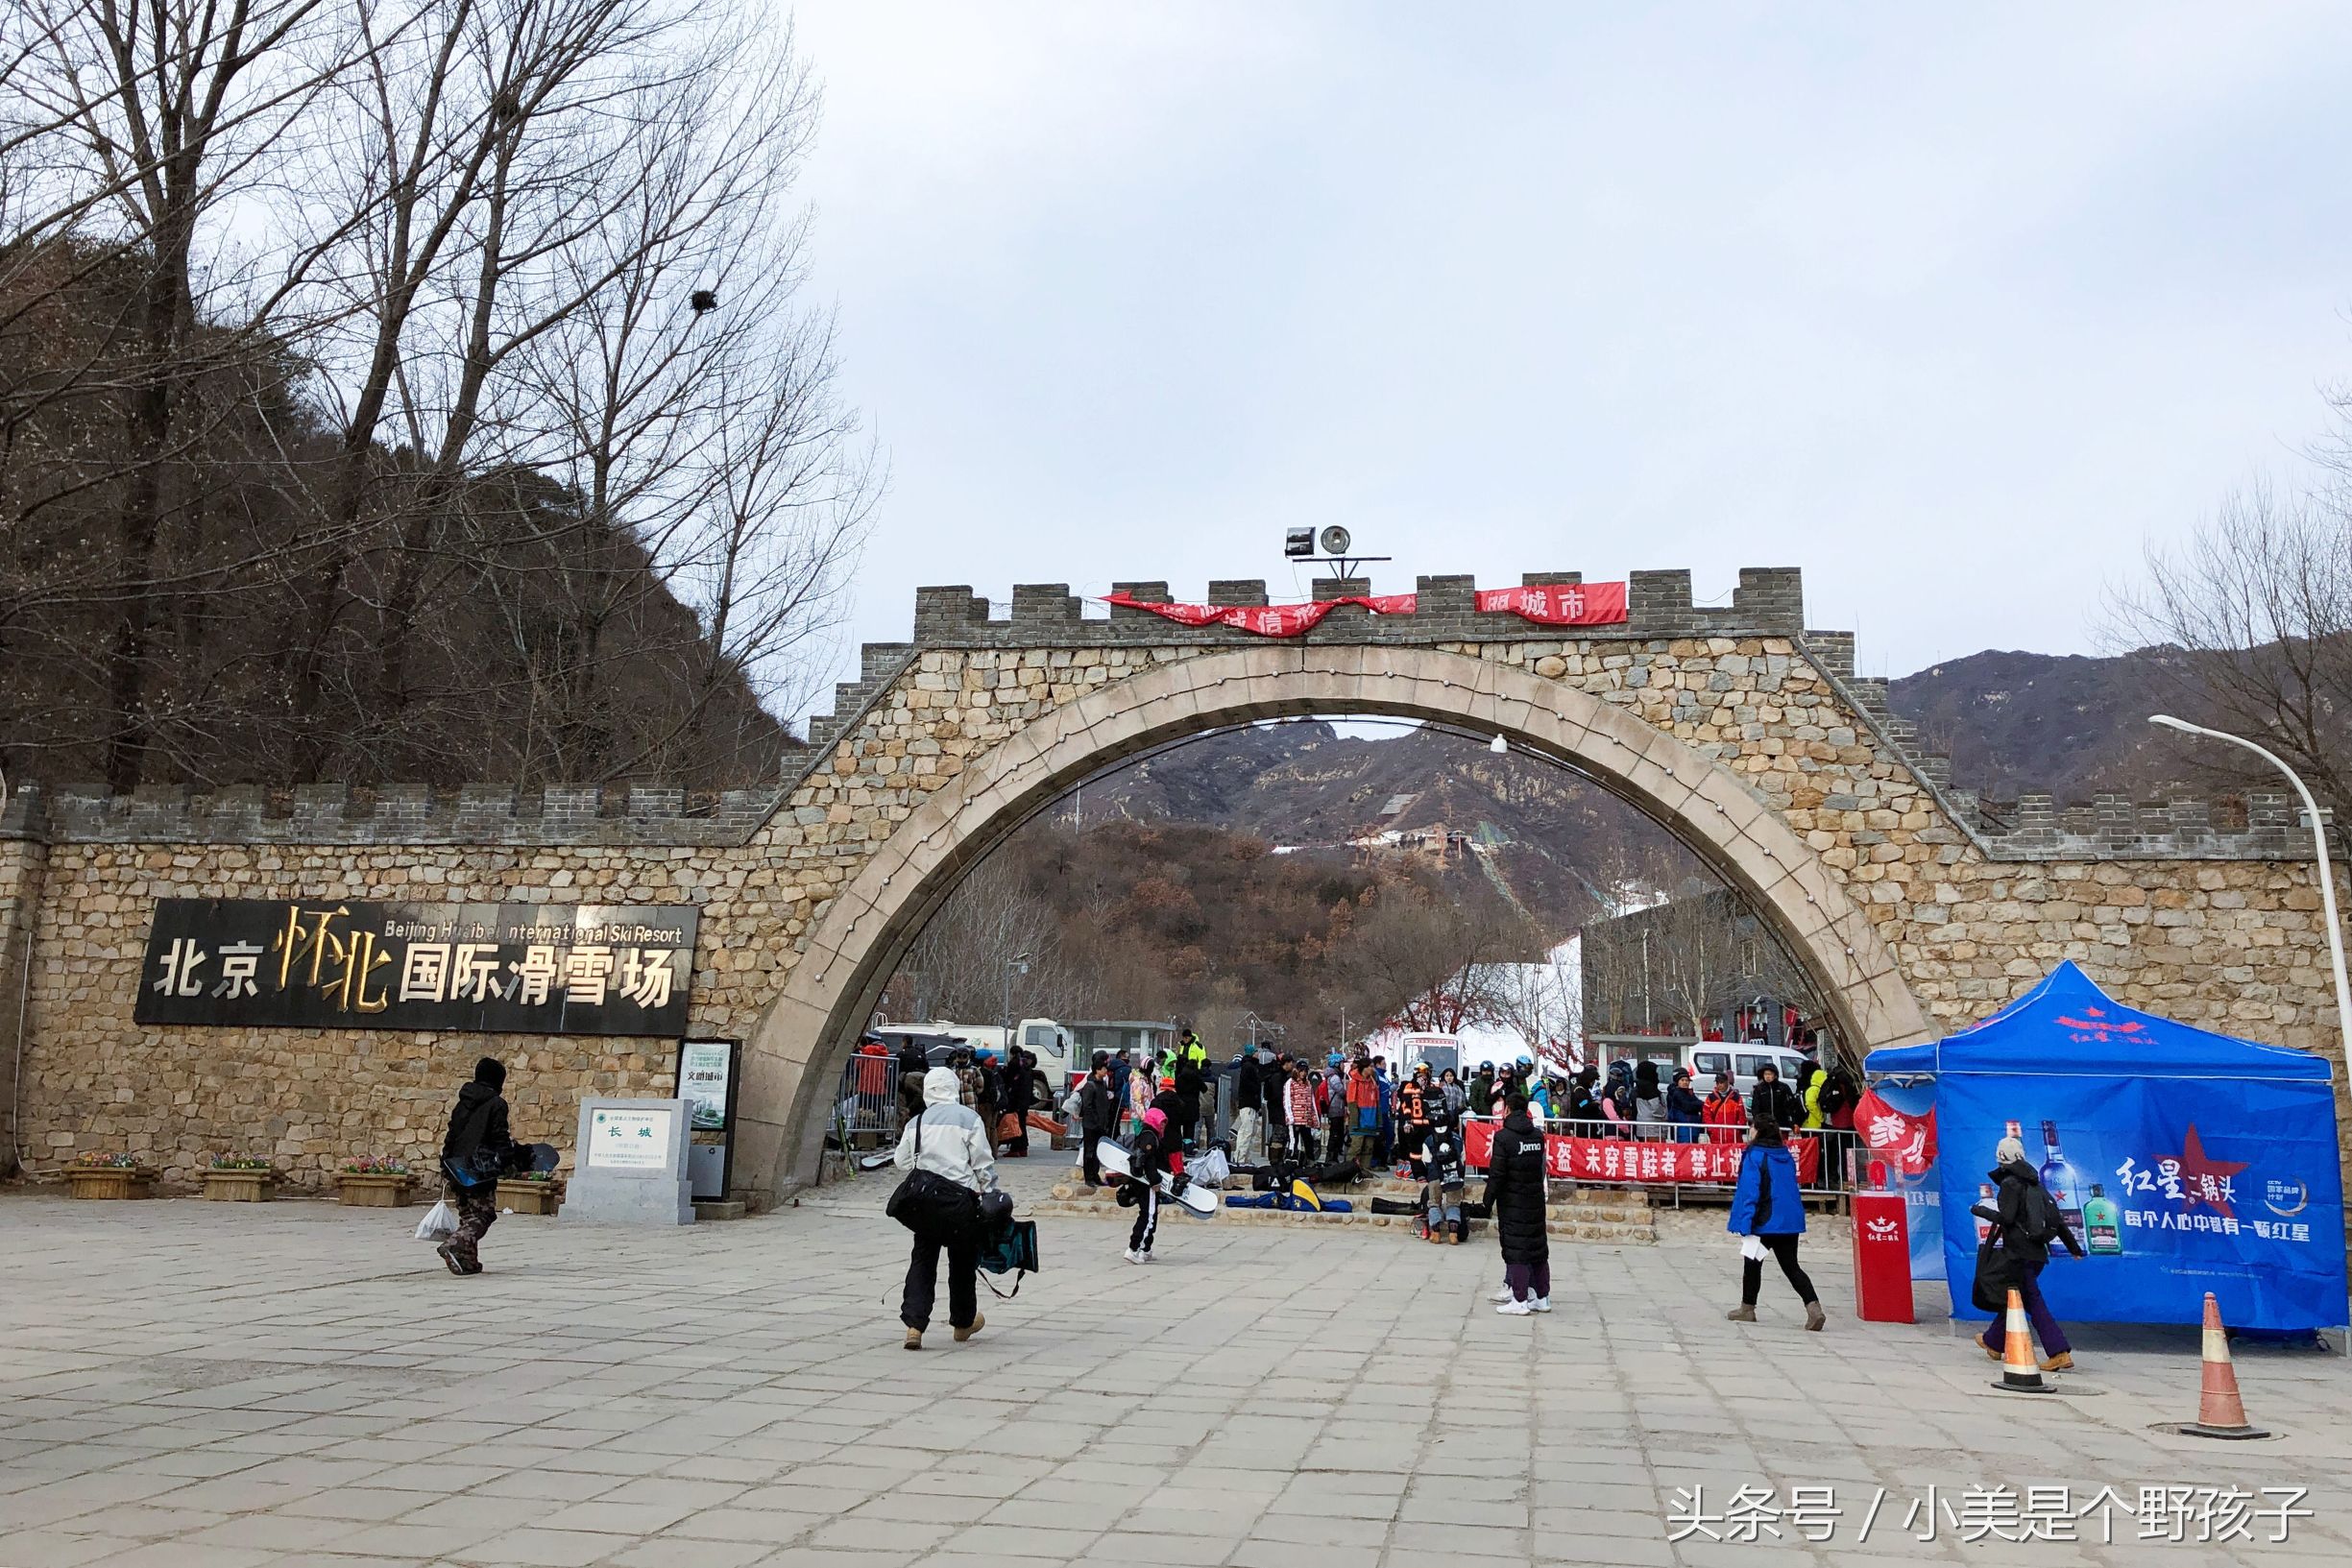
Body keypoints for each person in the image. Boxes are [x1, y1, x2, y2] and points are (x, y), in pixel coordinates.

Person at [893, 1065, 997, 1349]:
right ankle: (963, 1323)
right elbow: (982, 1164)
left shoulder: (917, 1122)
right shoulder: (969, 1119)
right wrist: (990, 1193)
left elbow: (901, 1161)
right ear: (953, 1088)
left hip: (925, 1202)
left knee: (923, 1260)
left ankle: (914, 1325)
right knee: (963, 1262)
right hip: (960, 1201)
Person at [1973, 1134, 2086, 1371]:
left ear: (2001, 1160)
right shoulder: (2036, 1184)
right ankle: (1993, 1342)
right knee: (2017, 1297)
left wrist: (1981, 1210)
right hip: (2036, 1254)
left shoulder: (2010, 1184)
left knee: (2032, 1301)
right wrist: (2074, 1248)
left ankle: (2059, 1351)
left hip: (2019, 1254)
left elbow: (2006, 1218)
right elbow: (2057, 1219)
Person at [1726, 1118, 1824, 1330]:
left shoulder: (1755, 1155)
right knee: (1791, 1267)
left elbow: (1751, 1191)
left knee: (1752, 1264)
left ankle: (1747, 1308)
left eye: (1751, 1128)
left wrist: (1745, 1222)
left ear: (1758, 1131)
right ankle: (1814, 1309)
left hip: (1764, 1222)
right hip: (1789, 1222)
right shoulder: (1785, 1155)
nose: (1749, 1131)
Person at [437, 1056, 524, 1275]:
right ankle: (455, 1242)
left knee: (467, 1214)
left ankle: (468, 1262)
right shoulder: (496, 1104)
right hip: (480, 1169)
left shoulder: (463, 1102)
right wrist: (507, 1159)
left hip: (456, 1165)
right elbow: (498, 1135)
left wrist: (445, 1163)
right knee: (483, 1214)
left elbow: (452, 1134)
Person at [1484, 1092, 1551, 1315]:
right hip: (1535, 1200)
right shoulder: (1537, 1137)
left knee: (1517, 1251)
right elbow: (1542, 1169)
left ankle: (1520, 1300)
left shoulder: (1504, 1138)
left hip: (1512, 1203)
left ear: (1508, 1110)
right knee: (1538, 1249)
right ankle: (1542, 1297)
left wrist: (1487, 1200)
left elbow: (1497, 1174)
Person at [1122, 1105, 1185, 1264]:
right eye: (1161, 1122)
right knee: (1148, 1215)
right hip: (1148, 1183)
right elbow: (1148, 1161)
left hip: (1147, 1182)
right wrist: (1155, 1181)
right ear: (1154, 1120)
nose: (1163, 1125)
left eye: (1164, 1122)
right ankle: (1134, 1249)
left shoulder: (1150, 1135)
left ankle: (1146, 1249)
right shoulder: (1149, 1137)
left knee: (1151, 1213)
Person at [1076, 1053, 1119, 1186]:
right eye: (1104, 1069)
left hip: (1101, 1124)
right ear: (1097, 1070)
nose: (1106, 1071)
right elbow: (1088, 1106)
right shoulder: (1090, 1085)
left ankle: (1095, 1175)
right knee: (1089, 1151)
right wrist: (1096, 1121)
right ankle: (1088, 1177)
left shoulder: (1102, 1084)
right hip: (1091, 1125)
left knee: (1097, 1152)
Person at [1233, 1046, 1267, 1166]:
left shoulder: (1250, 1066)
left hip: (1251, 1103)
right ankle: (1240, 1158)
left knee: (1250, 1132)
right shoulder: (1248, 1067)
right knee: (1246, 1131)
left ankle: (1245, 1158)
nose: (1258, 1053)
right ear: (1252, 1053)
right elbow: (1247, 1084)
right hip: (1248, 1103)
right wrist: (1256, 1089)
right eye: (1256, 1052)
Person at [998, 1048, 1033, 1158]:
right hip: (1025, 1100)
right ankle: (1023, 1148)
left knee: (1015, 1125)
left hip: (1016, 1100)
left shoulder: (1014, 1064)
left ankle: (1015, 1148)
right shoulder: (1027, 1067)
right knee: (1022, 1124)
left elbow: (1010, 1082)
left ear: (1012, 1053)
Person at [1346, 1058, 1381, 1164]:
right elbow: (1351, 1103)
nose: (1372, 1069)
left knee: (1368, 1148)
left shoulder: (1373, 1082)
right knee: (1356, 1148)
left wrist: (1379, 1122)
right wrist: (1355, 1123)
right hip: (1359, 1121)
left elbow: (1377, 1103)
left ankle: (1365, 1171)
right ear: (1363, 1068)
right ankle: (1349, 1170)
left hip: (1371, 1121)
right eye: (1370, 1066)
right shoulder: (1354, 1083)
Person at [1284, 1060, 1321, 1163]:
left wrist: (1315, 1119)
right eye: (1301, 1071)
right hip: (1295, 1119)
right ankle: (1291, 1160)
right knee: (1293, 1141)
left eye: (1305, 1071)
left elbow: (1311, 1101)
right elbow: (1287, 1100)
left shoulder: (1308, 1084)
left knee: (1308, 1141)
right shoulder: (1290, 1083)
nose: (1303, 1073)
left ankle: (1310, 1160)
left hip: (1306, 1119)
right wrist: (1290, 1117)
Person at [1748, 1062, 1802, 1130]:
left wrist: (1793, 1122)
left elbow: (1791, 1106)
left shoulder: (1783, 1088)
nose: (1767, 1076)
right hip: (1764, 1127)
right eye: (1765, 1074)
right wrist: (1758, 1122)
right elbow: (1755, 1108)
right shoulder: (1759, 1089)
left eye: (1770, 1074)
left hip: (1782, 1125)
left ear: (1775, 1075)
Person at [1172, 1047, 1206, 1151]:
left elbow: (1176, 1088)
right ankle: (1188, 1147)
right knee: (1190, 1128)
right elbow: (1204, 1089)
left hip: (1181, 1104)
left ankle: (1178, 1146)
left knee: (1178, 1126)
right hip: (1193, 1105)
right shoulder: (1196, 1077)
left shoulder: (1180, 1077)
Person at [1702, 1072, 1746, 1144]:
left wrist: (1738, 1129)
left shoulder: (1736, 1097)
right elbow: (1706, 1115)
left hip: (1734, 1137)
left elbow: (1742, 1116)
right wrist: (1712, 1130)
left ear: (1727, 1082)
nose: (1719, 1085)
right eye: (1717, 1083)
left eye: (1721, 1082)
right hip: (1716, 1137)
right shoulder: (1711, 1097)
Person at [1665, 1069, 1705, 1143]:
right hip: (1683, 1128)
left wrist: (1697, 1104)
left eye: (1687, 1080)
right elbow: (1687, 1106)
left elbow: (1700, 1104)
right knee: (1684, 1149)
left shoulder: (1689, 1093)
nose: (1685, 1082)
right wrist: (1697, 1105)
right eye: (1682, 1080)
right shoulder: (1676, 1093)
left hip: (1693, 1126)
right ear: (1678, 1082)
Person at [1796, 1061, 1826, 1132]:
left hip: (1806, 1122)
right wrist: (1820, 1117)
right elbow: (1810, 1103)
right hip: (1812, 1122)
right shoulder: (1813, 1088)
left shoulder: (1802, 1083)